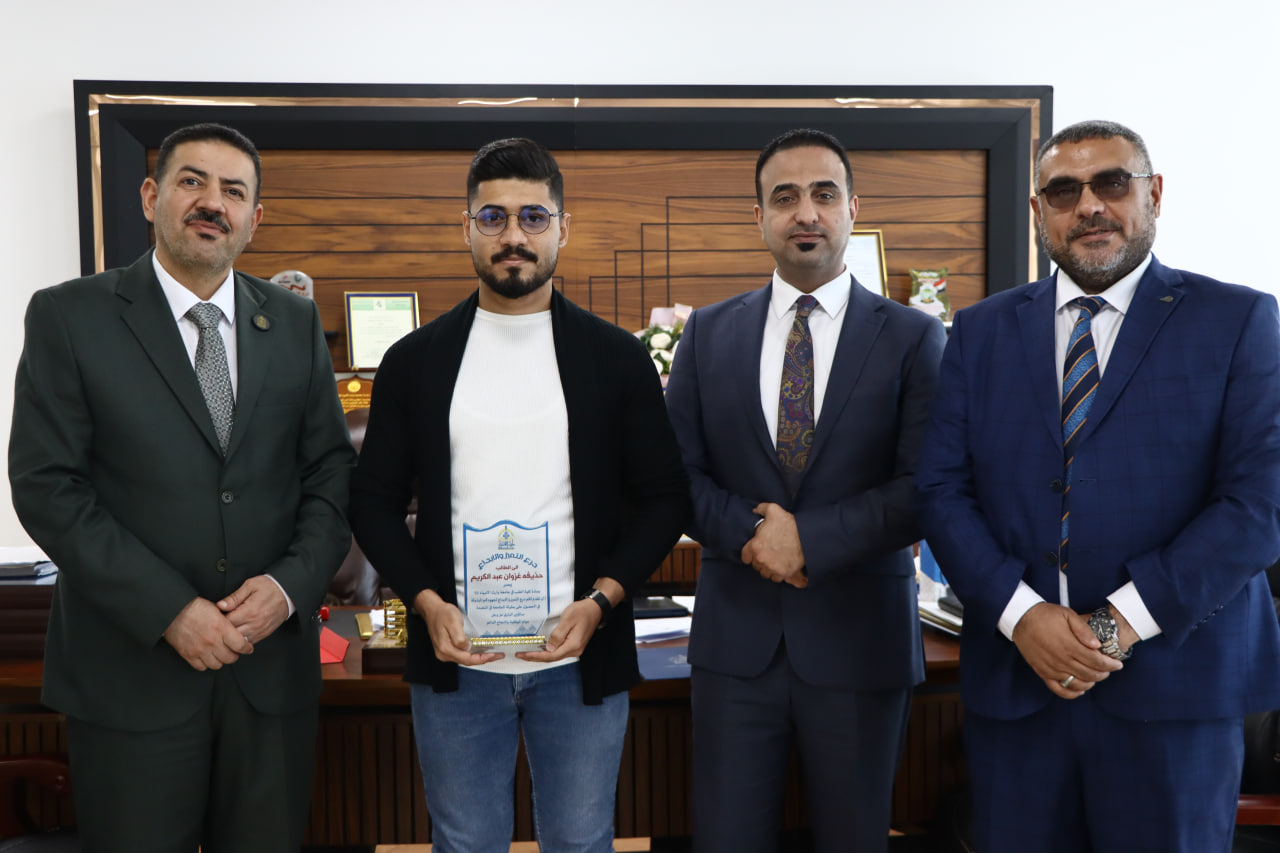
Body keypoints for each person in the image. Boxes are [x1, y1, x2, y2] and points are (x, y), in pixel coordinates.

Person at [915, 119, 1280, 853]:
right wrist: (1024, 618)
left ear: (1154, 194)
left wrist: (1109, 628)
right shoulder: (979, 331)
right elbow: (942, 490)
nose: (1088, 205)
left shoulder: (1238, 319)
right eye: (1063, 190)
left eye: (1112, 182)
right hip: (1019, 689)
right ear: (1038, 211)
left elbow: (1258, 504)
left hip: (1175, 692)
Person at [8, 122, 355, 852]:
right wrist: (169, 609)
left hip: (268, 675)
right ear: (150, 196)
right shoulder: (69, 316)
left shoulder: (293, 322)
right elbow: (47, 485)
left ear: (254, 219)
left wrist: (288, 587)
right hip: (131, 674)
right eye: (192, 181)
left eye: (234, 191)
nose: (212, 202)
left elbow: (330, 472)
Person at [348, 137, 690, 853]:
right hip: (457, 660)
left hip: (579, 655)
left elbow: (665, 499)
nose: (513, 235)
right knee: (465, 842)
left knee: (581, 840)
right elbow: (372, 502)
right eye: (493, 217)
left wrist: (601, 601)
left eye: (533, 216)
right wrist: (427, 603)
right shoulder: (415, 361)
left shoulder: (616, 358)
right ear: (466, 227)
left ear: (562, 227)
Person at [664, 128, 946, 853]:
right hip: (736, 647)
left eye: (824, 194)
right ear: (758, 216)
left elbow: (926, 485)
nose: (806, 213)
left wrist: (809, 541)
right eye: (784, 197)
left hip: (862, 643)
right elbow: (676, 476)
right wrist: (757, 535)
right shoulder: (708, 334)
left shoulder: (914, 338)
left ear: (854, 208)